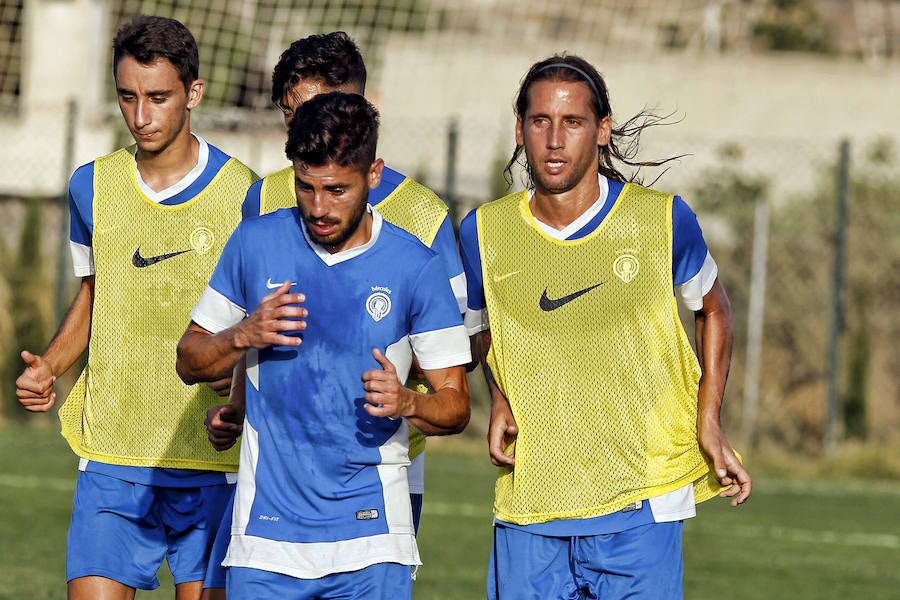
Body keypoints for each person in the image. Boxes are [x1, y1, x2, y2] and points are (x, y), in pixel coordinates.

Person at [458, 54, 753, 599]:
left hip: (642, 498)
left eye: (572, 122)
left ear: (602, 130)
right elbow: (484, 333)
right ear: (519, 129)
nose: (554, 139)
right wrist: (499, 394)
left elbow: (714, 309)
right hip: (534, 495)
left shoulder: (662, 220)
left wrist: (708, 420)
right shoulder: (483, 231)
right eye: (540, 121)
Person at [175, 91, 471, 598]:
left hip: (373, 536)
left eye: (337, 190)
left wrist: (408, 402)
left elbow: (456, 407)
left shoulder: (415, 266)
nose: (319, 207)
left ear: (374, 174)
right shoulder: (255, 242)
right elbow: (188, 359)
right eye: (305, 187)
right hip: (265, 536)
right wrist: (242, 335)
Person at [13, 16, 258, 599]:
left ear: (193, 94)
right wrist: (51, 365)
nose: (141, 116)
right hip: (113, 453)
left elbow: (254, 322)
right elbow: (98, 294)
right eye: (128, 97)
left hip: (210, 453)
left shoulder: (246, 194)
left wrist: (242, 402)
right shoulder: (90, 187)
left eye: (158, 98)